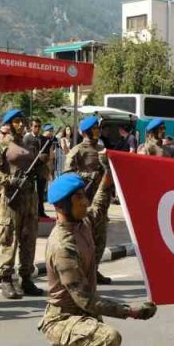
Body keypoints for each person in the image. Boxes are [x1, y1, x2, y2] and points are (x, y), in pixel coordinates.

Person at [20, 170, 157, 346]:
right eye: (79, 198)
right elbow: (85, 301)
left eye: (84, 195)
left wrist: (109, 173)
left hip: (85, 318)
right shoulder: (63, 246)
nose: (85, 202)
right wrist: (130, 311)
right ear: (62, 206)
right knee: (108, 337)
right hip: (62, 320)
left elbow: (101, 203)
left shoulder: (83, 223)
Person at [0, 108, 48, 300]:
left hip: (30, 198)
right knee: (9, 240)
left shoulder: (30, 147)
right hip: (11, 199)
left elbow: (42, 173)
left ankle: (26, 278)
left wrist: (41, 165)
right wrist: (10, 180)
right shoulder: (0, 147)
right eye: (16, 122)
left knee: (28, 240)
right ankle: (6, 279)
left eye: (22, 121)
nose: (21, 125)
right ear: (9, 125)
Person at [63, 116, 112, 285]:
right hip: (84, 202)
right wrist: (87, 176)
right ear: (86, 132)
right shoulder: (77, 151)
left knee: (100, 239)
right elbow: (67, 174)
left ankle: (94, 269)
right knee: (84, 239)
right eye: (94, 129)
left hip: (101, 201)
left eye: (98, 128)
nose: (97, 131)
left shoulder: (102, 149)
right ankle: (83, 272)